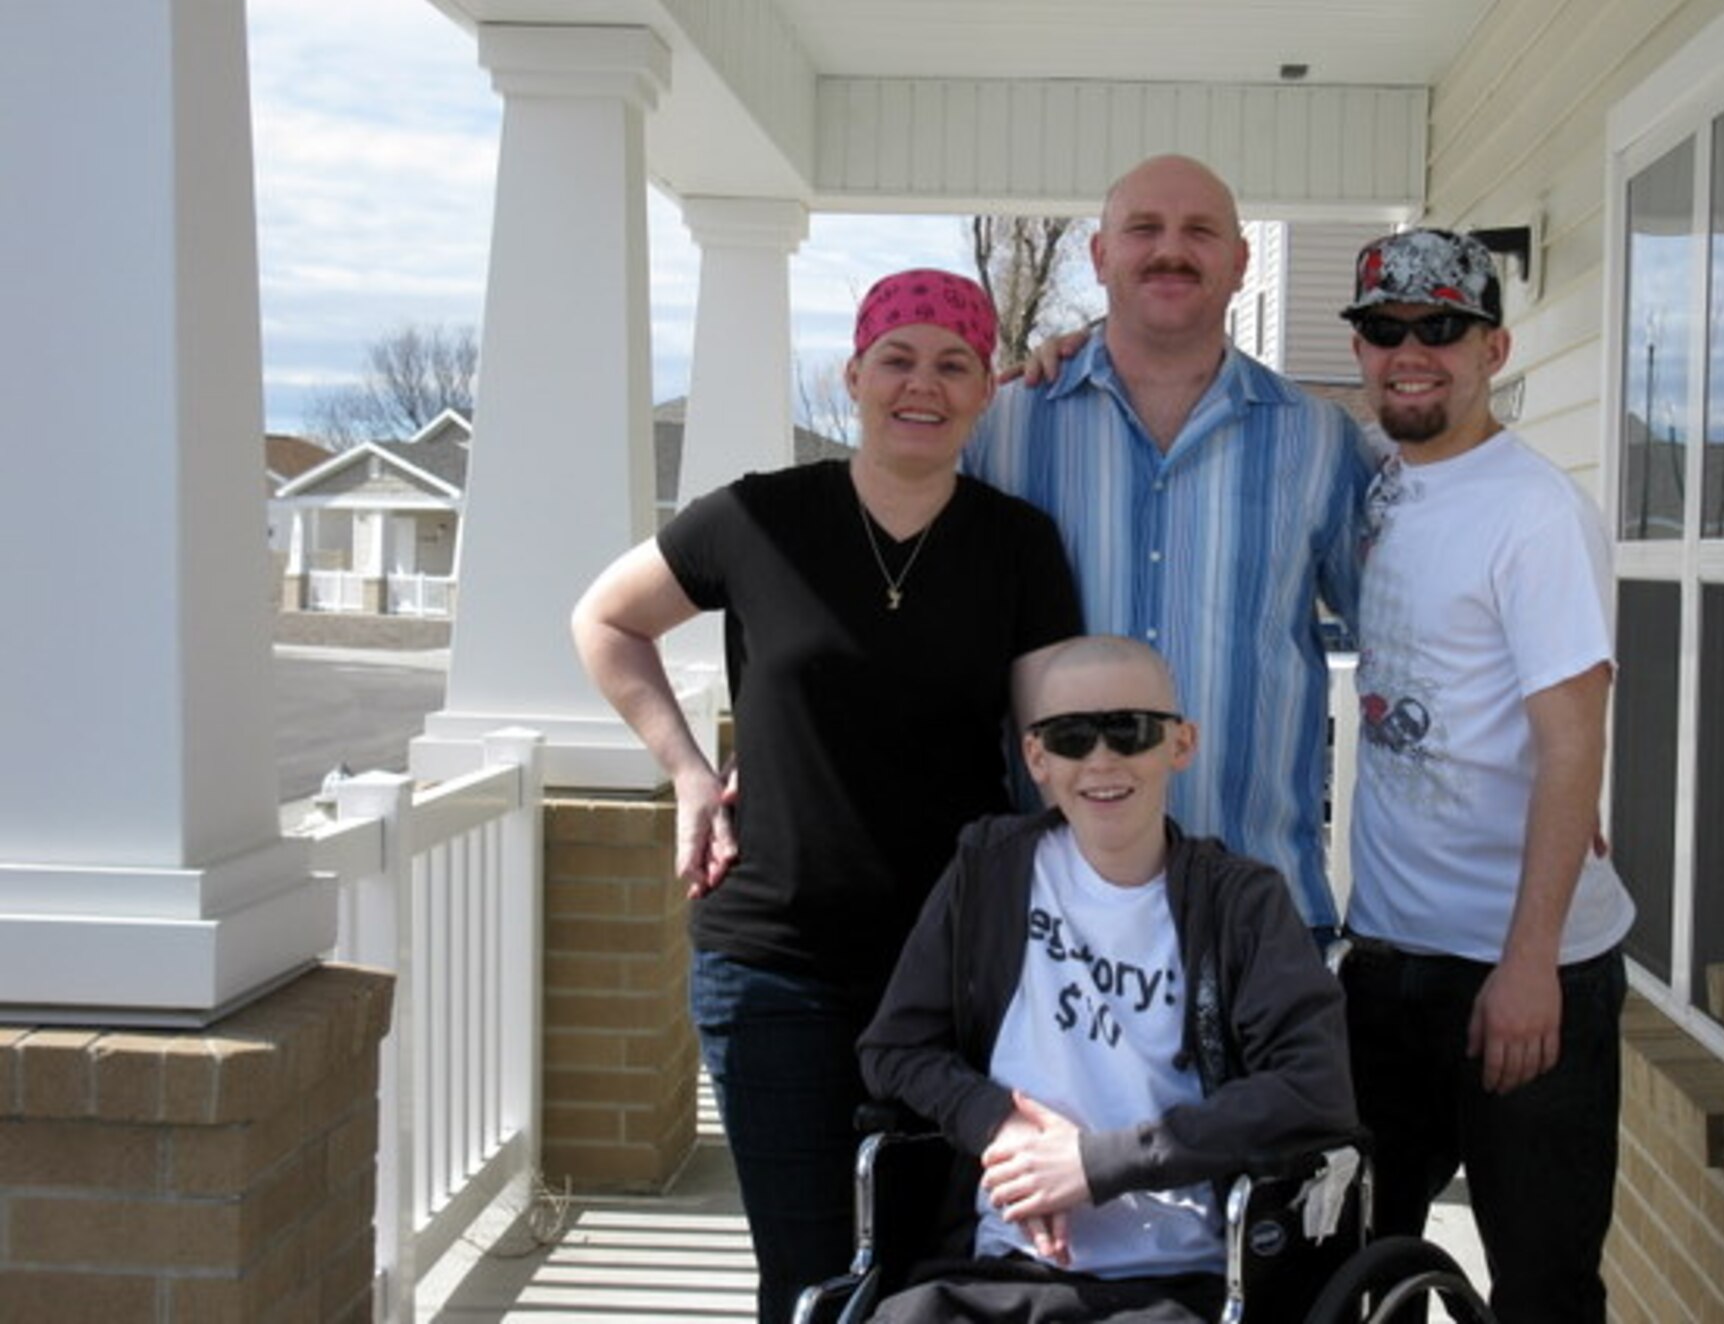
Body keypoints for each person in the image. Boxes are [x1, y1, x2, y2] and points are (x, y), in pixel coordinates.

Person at [570, 269, 1082, 1324]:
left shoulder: (1015, 544)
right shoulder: (757, 518)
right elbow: (604, 621)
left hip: (953, 975)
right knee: (805, 1280)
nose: (921, 385)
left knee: (930, 1264)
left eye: (953, 365)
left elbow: (1046, 741)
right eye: (896, 359)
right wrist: (688, 774)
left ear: (985, 390)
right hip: (774, 968)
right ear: (852, 374)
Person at [856, 636, 1356, 1324]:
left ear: (1180, 745)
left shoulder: (1241, 903)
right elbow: (893, 1050)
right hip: (996, 1266)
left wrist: (1100, 1164)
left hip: (1179, 1278)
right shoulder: (987, 874)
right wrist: (997, 1124)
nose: (1100, 759)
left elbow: (1314, 1089)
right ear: (1038, 759)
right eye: (1070, 737)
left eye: (1129, 731)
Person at [1336, 228, 1634, 1323]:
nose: (1410, 352)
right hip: (1386, 957)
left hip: (1522, 973)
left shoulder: (1535, 511)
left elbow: (1571, 741)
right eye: (1383, 330)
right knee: (1361, 1267)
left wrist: (1527, 967)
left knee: (1541, 1285)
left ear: (1492, 346)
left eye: (1441, 329)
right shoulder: (1378, 479)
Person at [965, 155, 1373, 943]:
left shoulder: (1319, 442)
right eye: (1143, 229)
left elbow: (1407, 647)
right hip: (1050, 908)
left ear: (1241, 262)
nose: (1170, 250)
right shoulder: (1003, 429)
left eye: (1200, 231)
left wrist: (1517, 792)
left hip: (1256, 909)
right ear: (1099, 255)